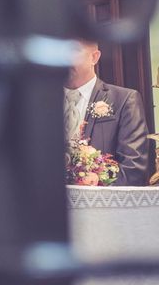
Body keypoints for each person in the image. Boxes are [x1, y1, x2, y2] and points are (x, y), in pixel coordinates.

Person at [64, 41, 149, 185]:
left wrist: (96, 184)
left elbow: (134, 168)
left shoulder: (124, 100)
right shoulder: (40, 104)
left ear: (94, 57)